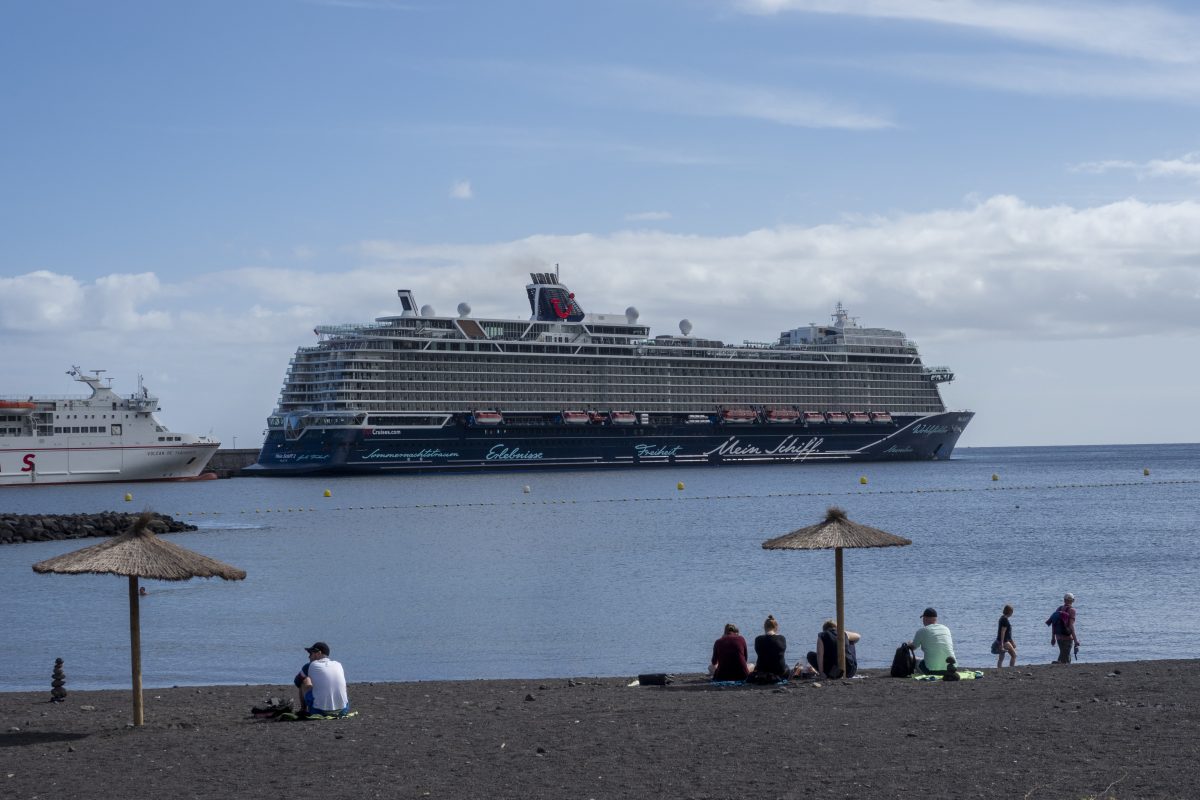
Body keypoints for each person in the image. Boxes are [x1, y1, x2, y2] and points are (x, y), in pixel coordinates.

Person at [294, 641, 350, 716]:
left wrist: (311, 685)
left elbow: (297, 682)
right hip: (343, 710)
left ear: (318, 653)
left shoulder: (309, 666)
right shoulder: (338, 664)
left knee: (305, 680)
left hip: (319, 711)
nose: (309, 657)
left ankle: (303, 709)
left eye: (311, 653)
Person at [908, 607, 956, 675]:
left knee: (911, 658)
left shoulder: (922, 631)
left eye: (923, 618)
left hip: (931, 671)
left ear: (925, 618)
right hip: (950, 669)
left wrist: (909, 644)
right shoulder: (946, 629)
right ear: (935, 619)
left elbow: (913, 647)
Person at [749, 615, 788, 681]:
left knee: (751, 665)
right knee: (787, 667)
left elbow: (759, 653)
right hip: (779, 671)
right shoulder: (782, 638)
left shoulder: (758, 639)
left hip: (762, 671)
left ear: (764, 627)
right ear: (776, 627)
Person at [1053, 593, 1080, 664]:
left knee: (1063, 655)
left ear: (1064, 600)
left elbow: (1054, 623)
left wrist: (1053, 637)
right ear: (1073, 600)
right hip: (1067, 638)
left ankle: (1057, 666)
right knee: (1066, 658)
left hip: (1058, 636)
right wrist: (1075, 640)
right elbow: (1071, 626)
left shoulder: (1058, 609)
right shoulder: (1072, 610)